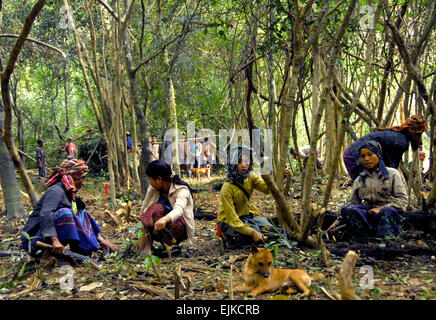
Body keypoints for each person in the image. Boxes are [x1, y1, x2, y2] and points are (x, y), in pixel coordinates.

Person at [20, 159, 117, 262]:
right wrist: (54, 240)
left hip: (45, 238)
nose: (83, 183)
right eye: (82, 178)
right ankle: (47, 253)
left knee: (83, 214)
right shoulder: (55, 191)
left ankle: (82, 251)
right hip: (34, 241)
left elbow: (82, 216)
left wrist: (101, 240)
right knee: (65, 213)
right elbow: (46, 214)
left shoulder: (69, 193)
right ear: (74, 178)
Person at [338, 141, 408, 241]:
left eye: (370, 155)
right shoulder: (359, 179)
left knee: (387, 211)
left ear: (378, 155)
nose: (366, 159)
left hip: (387, 214)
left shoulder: (392, 174)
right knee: (348, 209)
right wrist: (338, 221)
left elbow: (403, 201)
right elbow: (353, 203)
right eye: (362, 156)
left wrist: (381, 208)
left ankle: (386, 240)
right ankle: (362, 239)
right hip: (368, 215)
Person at [217, 145, 276, 249]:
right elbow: (233, 220)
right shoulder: (227, 188)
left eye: (247, 161)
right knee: (255, 239)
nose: (244, 165)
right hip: (229, 222)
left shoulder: (250, 177)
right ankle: (227, 236)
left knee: (271, 231)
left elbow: (267, 189)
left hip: (247, 217)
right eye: (239, 162)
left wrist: (280, 177)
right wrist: (252, 232)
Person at [343, 115, 428, 182]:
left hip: (351, 153)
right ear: (414, 133)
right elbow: (391, 168)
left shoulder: (399, 137)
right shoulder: (400, 141)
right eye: (419, 135)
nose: (419, 139)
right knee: (364, 187)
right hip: (353, 156)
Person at [136, 160, 195, 255]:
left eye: (150, 179)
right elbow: (145, 208)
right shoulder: (153, 189)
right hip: (157, 229)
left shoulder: (181, 190)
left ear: (159, 179)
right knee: (149, 213)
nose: (150, 182)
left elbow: (178, 210)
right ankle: (145, 248)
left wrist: (164, 219)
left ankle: (172, 247)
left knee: (157, 208)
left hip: (177, 229)